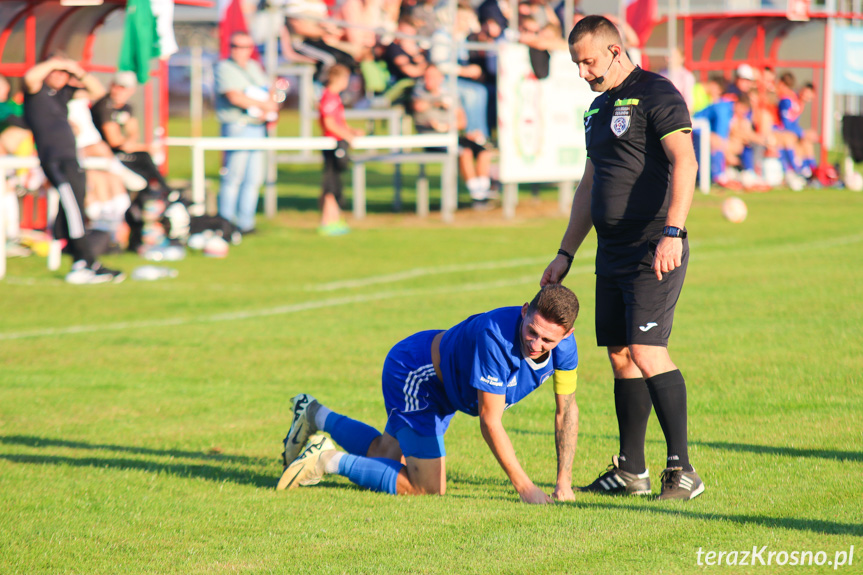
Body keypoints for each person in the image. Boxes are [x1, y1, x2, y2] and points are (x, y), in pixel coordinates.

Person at [541, 16, 703, 500]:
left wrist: (673, 232)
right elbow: (590, 186)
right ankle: (632, 470)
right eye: (576, 63)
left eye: (588, 60)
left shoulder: (658, 92)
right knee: (620, 355)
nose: (582, 71)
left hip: (654, 246)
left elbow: (686, 162)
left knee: (648, 352)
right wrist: (566, 252)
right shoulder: (596, 109)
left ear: (615, 51)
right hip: (610, 252)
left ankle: (684, 471)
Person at [278, 284, 581, 503]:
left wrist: (563, 483)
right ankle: (325, 459)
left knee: (384, 453)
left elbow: (566, 410)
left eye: (548, 340)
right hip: (417, 376)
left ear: (567, 335)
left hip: (443, 390)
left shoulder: (565, 349)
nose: (536, 344)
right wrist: (526, 488)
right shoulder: (495, 337)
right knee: (427, 487)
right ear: (525, 311)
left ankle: (314, 413)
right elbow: (491, 422)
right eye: (532, 331)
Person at [23, 55, 124, 284]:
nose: (60, 76)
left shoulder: (63, 94)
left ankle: (85, 261)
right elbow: (30, 77)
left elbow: (99, 94)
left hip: (71, 159)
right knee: (74, 211)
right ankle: (83, 262)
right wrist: (55, 63)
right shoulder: (36, 92)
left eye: (64, 74)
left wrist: (75, 70)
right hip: (54, 160)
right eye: (56, 72)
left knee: (76, 207)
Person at [214, 32, 277, 235]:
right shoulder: (224, 67)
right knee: (234, 175)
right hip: (237, 126)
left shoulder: (254, 67)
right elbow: (235, 97)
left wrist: (269, 107)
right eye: (236, 46)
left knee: (253, 177)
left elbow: (267, 92)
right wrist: (264, 105)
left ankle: (245, 223)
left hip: (256, 127)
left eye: (246, 47)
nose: (240, 51)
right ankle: (226, 222)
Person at [411, 65, 494, 203]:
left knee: (484, 151)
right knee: (464, 152)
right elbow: (419, 106)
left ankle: (483, 189)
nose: (429, 80)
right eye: (427, 76)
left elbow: (461, 122)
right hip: (432, 140)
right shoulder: (419, 92)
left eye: (433, 76)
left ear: (441, 78)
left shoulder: (450, 96)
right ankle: (476, 195)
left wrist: (446, 126)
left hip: (451, 135)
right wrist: (438, 102)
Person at [90, 71, 171, 196]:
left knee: (145, 161)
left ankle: (162, 194)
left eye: (123, 88)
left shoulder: (126, 107)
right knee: (144, 161)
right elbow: (115, 142)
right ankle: (165, 194)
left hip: (118, 153)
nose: (118, 91)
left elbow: (133, 133)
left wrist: (129, 143)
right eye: (116, 86)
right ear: (111, 85)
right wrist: (143, 147)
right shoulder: (104, 107)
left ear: (131, 90)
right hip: (104, 154)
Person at [318, 64, 364, 235]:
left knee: (335, 182)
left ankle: (334, 218)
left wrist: (351, 131)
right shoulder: (329, 97)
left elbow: (339, 122)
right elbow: (330, 124)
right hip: (332, 144)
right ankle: (328, 220)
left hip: (337, 142)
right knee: (331, 184)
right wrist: (347, 136)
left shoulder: (335, 97)